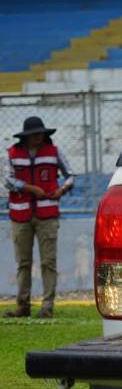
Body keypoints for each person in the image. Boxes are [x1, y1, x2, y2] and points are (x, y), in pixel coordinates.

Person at [4, 117, 75, 318]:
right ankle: (22, 305)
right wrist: (30, 189)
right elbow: (8, 180)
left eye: (41, 134)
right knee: (23, 262)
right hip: (20, 214)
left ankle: (47, 306)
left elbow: (70, 175)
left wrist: (62, 189)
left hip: (47, 214)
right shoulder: (12, 153)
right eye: (35, 134)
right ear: (26, 137)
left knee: (48, 262)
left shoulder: (55, 151)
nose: (39, 137)